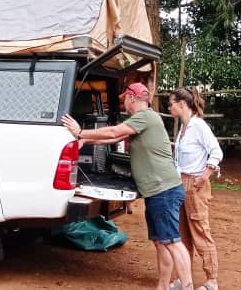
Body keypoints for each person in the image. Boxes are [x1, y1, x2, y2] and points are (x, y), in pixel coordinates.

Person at [62, 82, 194, 290]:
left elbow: (114, 131)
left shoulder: (146, 117)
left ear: (132, 98)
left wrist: (80, 133)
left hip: (164, 190)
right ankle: (163, 286)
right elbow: (115, 137)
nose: (124, 103)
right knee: (161, 242)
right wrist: (85, 141)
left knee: (172, 241)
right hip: (157, 191)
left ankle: (187, 286)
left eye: (125, 99)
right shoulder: (142, 120)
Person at [168, 87, 222, 290]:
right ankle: (184, 279)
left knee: (200, 231)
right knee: (182, 233)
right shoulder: (183, 128)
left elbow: (216, 152)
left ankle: (211, 281)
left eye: (171, 103)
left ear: (182, 104)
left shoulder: (199, 126)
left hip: (194, 184)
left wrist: (204, 176)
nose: (169, 107)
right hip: (180, 183)